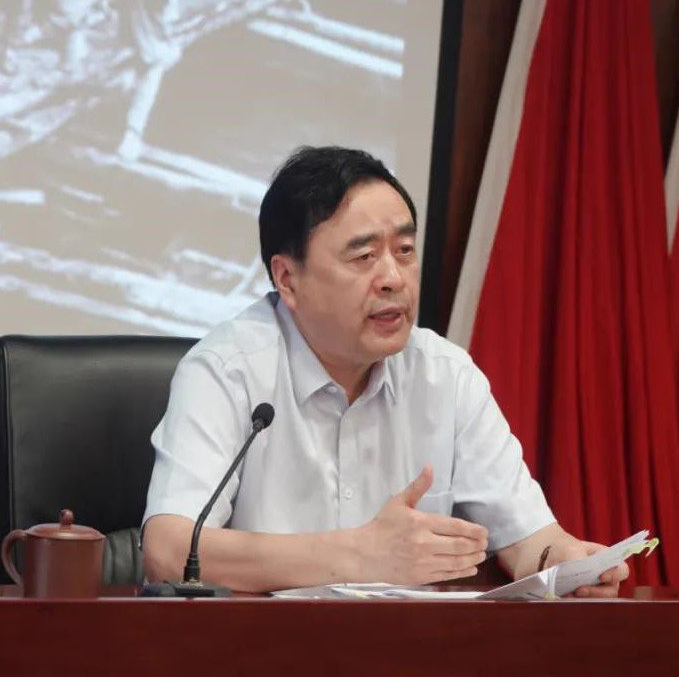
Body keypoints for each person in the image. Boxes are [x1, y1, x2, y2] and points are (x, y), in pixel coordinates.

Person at [142, 145, 629, 595]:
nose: (394, 278)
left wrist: (568, 563)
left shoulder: (446, 375)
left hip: (414, 648)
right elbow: (169, 551)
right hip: (263, 647)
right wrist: (360, 555)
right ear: (287, 278)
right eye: (364, 256)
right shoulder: (227, 371)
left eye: (404, 251)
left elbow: (530, 541)